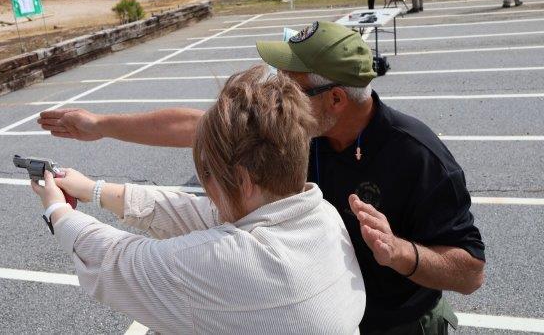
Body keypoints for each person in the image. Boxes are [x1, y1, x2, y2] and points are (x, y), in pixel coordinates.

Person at [38, 22, 486, 334]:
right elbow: (196, 128)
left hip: (402, 325)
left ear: (334, 99)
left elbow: (470, 273)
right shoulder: (295, 129)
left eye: (288, 86)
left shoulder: (418, 156)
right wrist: (99, 126)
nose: (277, 95)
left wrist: (401, 253)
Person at [32, 66, 366, 334]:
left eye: (208, 175)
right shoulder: (321, 215)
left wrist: (56, 209)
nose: (206, 189)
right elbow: (198, 214)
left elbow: (115, 261)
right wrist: (94, 189)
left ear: (243, 181)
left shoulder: (234, 262)